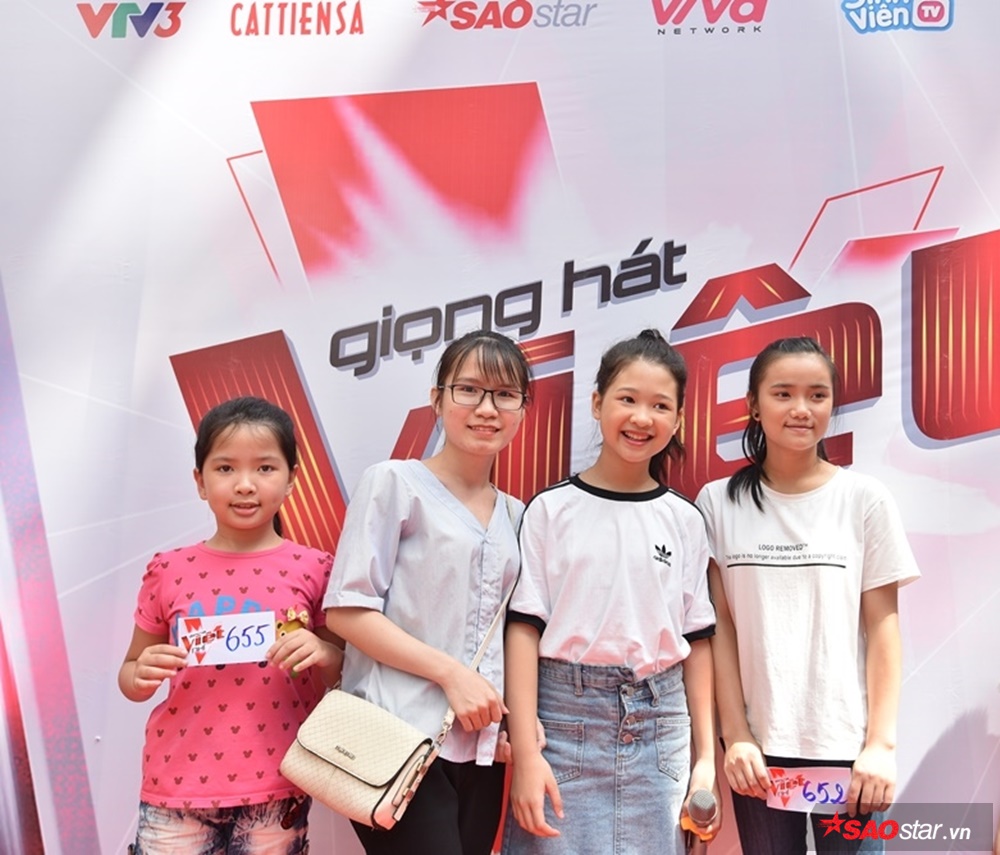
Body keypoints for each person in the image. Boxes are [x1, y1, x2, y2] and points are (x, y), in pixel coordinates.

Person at [695, 336, 920, 854]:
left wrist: (880, 745)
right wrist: (736, 735)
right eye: (783, 394)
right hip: (759, 758)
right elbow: (719, 627)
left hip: (849, 754)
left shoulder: (863, 499)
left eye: (817, 395)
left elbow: (883, 628)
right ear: (754, 405)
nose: (802, 409)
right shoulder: (718, 503)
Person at [502, 328, 718, 855]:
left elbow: (698, 641)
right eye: (627, 399)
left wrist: (705, 761)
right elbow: (523, 630)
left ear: (678, 420)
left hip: (661, 728)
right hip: (564, 725)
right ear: (597, 404)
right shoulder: (551, 509)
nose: (642, 418)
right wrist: (527, 753)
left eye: (660, 405)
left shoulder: (685, 519)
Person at [324, 328, 533, 855]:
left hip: (481, 748)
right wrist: (451, 674)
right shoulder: (394, 482)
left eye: (505, 395)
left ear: (522, 410)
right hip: (393, 733)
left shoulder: (517, 514)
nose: (487, 408)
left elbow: (511, 634)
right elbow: (347, 611)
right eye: (469, 390)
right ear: (437, 399)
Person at [119, 396, 343, 854]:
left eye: (265, 468)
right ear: (200, 481)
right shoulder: (169, 570)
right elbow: (130, 674)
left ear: (292, 479)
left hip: (279, 786)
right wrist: (140, 674)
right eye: (225, 469)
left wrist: (324, 653)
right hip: (175, 787)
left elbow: (344, 677)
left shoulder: (316, 569)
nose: (244, 485)